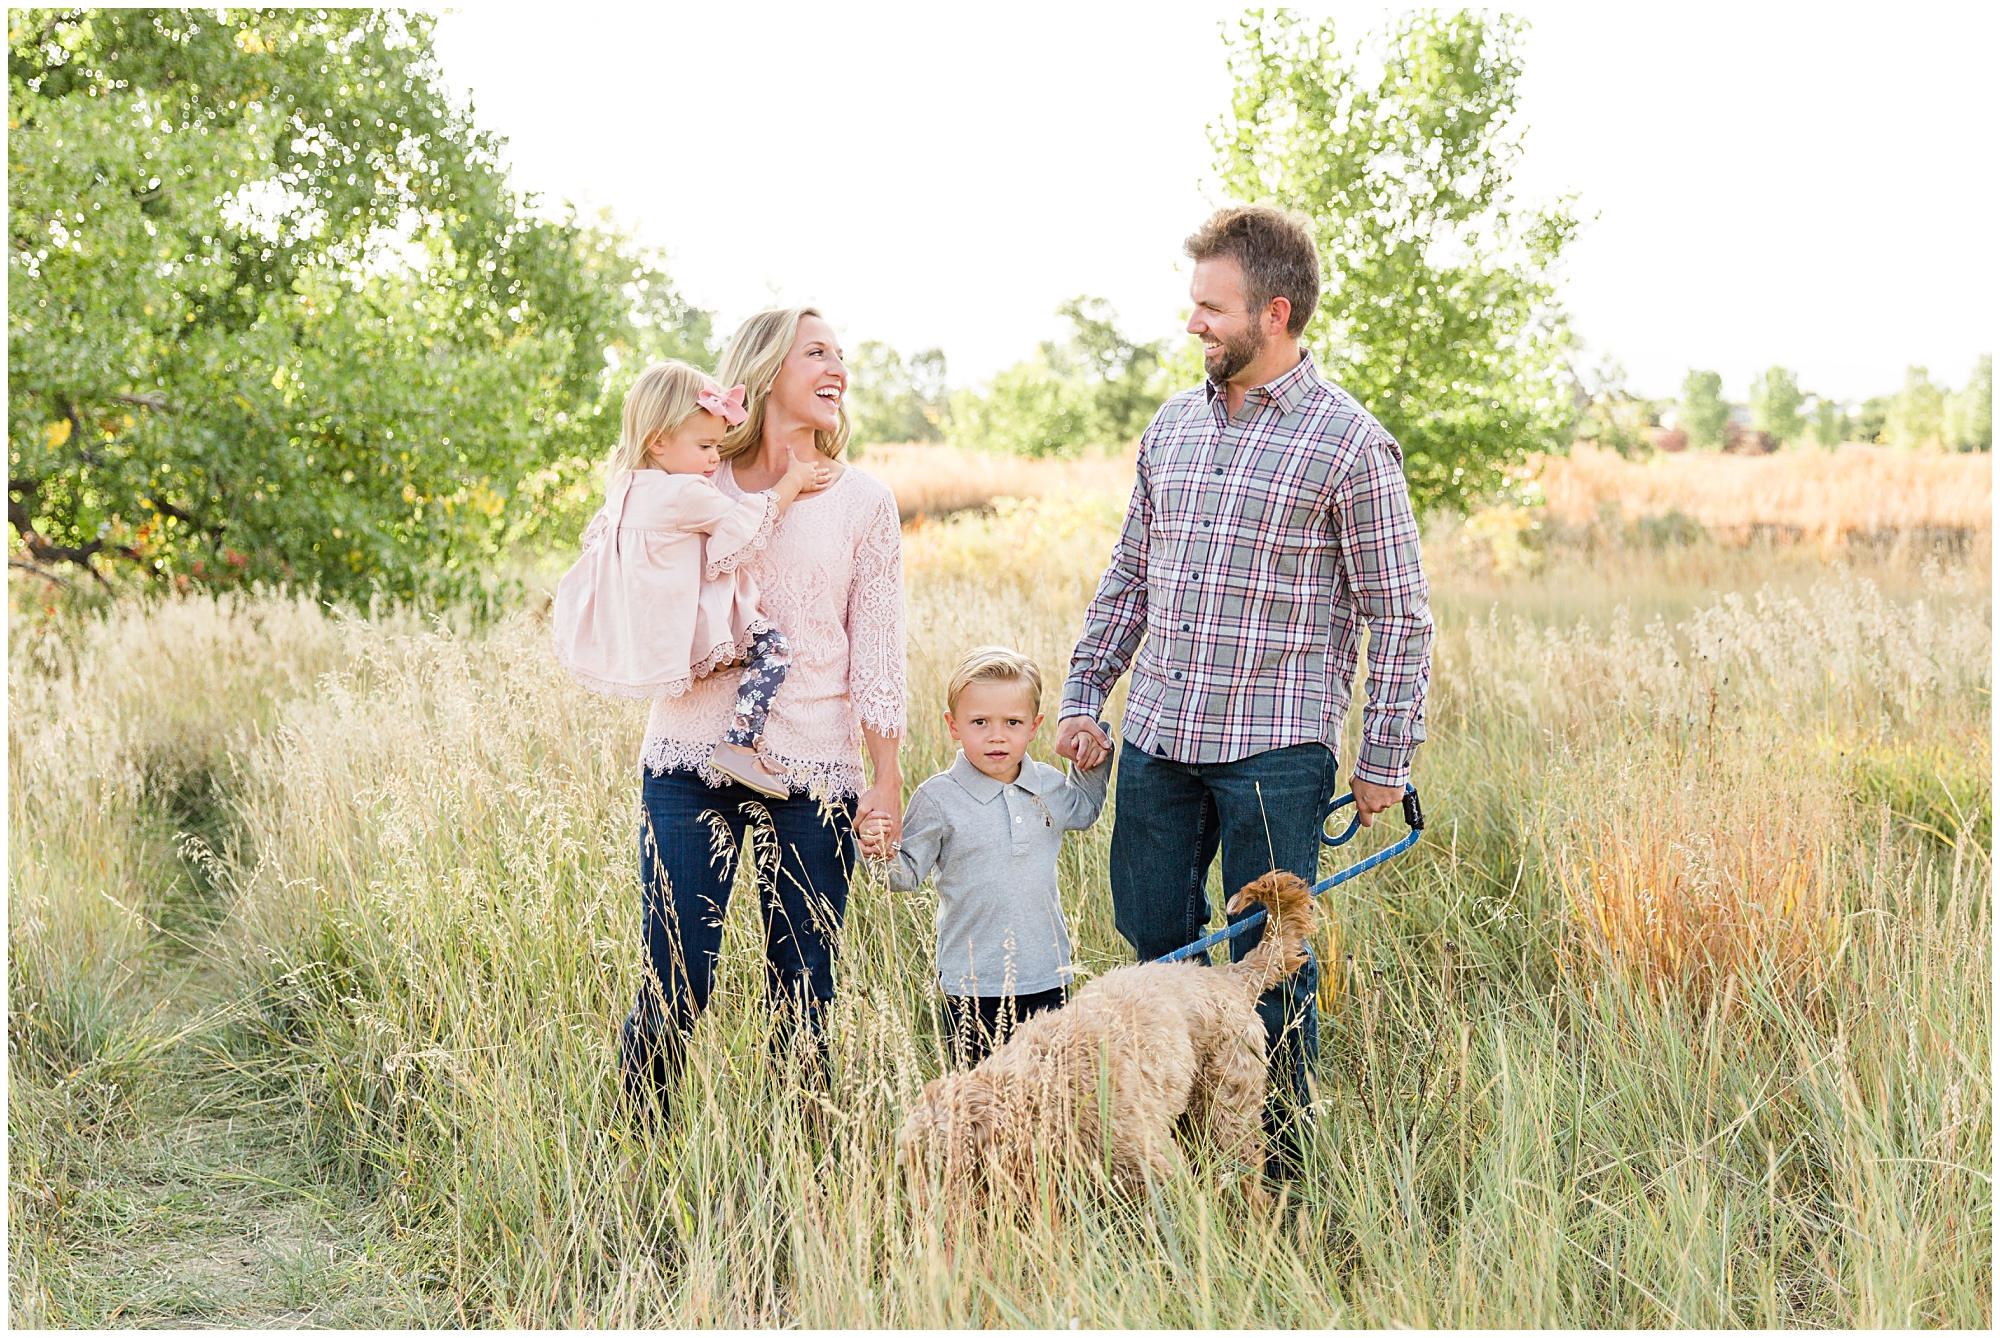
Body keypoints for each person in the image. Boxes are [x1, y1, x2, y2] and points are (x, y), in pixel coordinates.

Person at [1055, 205, 1433, 1179]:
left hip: (1275, 752)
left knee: (1267, 968)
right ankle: (1170, 1149)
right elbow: (1129, 573)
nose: (1192, 324)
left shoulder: (1350, 446)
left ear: (1273, 312)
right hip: (1158, 741)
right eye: (1191, 305)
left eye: (1210, 309)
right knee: (1152, 952)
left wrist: (1382, 759)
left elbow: (1400, 613)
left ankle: (1276, 1174)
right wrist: (1084, 690)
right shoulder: (1172, 426)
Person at [619, 307, 907, 1119]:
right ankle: (639, 1153)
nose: (838, 368)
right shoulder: (689, 484)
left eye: (841, 355)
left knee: (805, 987)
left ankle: (804, 1174)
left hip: (817, 767)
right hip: (690, 758)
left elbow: (879, 651)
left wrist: (884, 781)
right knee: (677, 977)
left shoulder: (865, 503)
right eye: (818, 352)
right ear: (768, 369)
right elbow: (648, 609)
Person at [551, 361, 829, 795]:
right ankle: (739, 745)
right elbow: (744, 525)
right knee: (774, 650)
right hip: (694, 619)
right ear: (658, 441)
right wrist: (792, 482)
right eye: (704, 446)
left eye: (717, 446)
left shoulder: (624, 485)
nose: (715, 459)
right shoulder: (685, 493)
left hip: (655, 620)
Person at [867, 647, 1111, 1067]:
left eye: (1012, 723)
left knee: (1048, 1091)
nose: (997, 736)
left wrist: (1090, 758)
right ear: (954, 726)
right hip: (971, 984)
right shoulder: (938, 797)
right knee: (979, 1101)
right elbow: (903, 875)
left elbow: (1085, 810)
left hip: (1047, 975)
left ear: (1034, 727)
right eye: (980, 722)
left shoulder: (1047, 786)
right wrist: (877, 849)